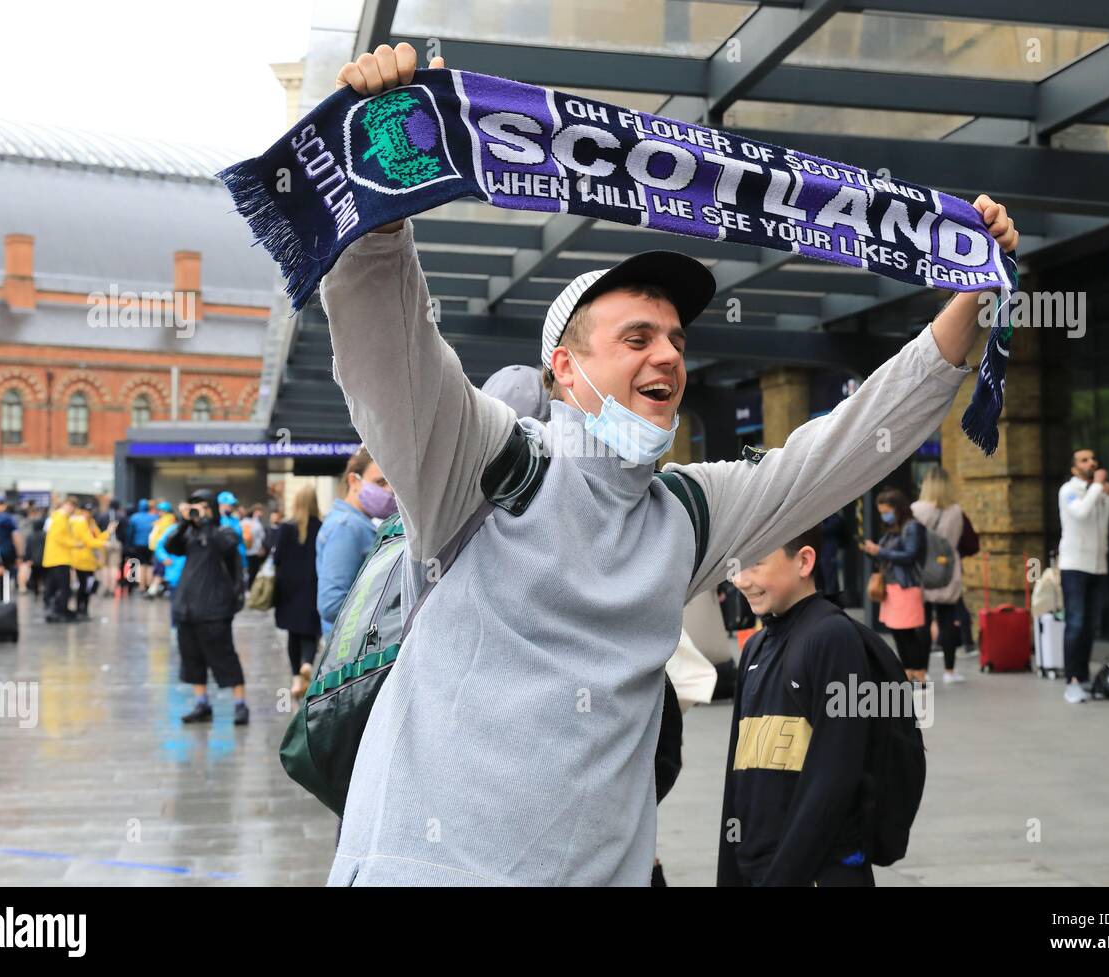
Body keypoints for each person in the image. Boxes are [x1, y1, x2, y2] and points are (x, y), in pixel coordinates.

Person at [321, 42, 1017, 887]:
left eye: (678, 340)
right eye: (637, 337)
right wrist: (386, 197)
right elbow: (389, 351)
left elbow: (840, 448)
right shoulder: (485, 459)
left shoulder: (686, 511)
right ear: (565, 369)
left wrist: (968, 302)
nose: (668, 357)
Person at [718, 524, 873, 886]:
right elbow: (736, 779)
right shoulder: (755, 647)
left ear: (804, 561)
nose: (741, 580)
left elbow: (835, 780)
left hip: (818, 873)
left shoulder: (834, 638)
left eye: (756, 564)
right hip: (758, 868)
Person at [1057, 448, 1109, 704]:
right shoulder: (1068, 491)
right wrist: (1099, 487)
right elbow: (1080, 513)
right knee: (1076, 623)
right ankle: (1071, 680)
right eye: (1084, 460)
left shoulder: (1100, 494)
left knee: (1091, 625)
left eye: (1093, 458)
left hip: (1098, 567)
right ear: (1074, 469)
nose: (1091, 462)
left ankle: (1083, 677)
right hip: (1074, 566)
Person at [163, 490, 249, 725]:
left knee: (225, 658)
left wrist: (208, 520)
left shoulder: (225, 531)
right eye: (193, 506)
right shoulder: (189, 533)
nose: (197, 510)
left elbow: (226, 546)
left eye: (201, 506)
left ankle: (240, 705)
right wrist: (184, 522)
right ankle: (201, 703)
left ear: (211, 507)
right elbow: (171, 546)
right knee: (192, 659)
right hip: (187, 608)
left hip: (215, 610)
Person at [316, 450, 388, 635]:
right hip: (351, 647)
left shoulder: (352, 522)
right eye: (380, 482)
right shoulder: (348, 526)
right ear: (354, 481)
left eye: (392, 483)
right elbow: (332, 605)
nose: (389, 491)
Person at [862, 488, 928, 684]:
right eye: (881, 513)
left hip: (905, 586)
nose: (884, 516)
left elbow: (910, 555)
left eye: (886, 512)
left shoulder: (912, 527)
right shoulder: (894, 529)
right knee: (898, 632)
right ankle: (908, 671)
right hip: (892, 587)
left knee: (908, 632)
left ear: (898, 509)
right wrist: (872, 551)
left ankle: (919, 673)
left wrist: (880, 551)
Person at [911, 467, 966, 684]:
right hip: (948, 569)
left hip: (923, 569)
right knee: (948, 620)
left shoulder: (916, 509)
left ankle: (922, 672)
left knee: (922, 622)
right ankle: (949, 671)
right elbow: (957, 539)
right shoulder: (956, 511)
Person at [273, 486, 323, 697]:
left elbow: (276, 559)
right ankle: (307, 663)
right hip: (313, 585)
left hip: (288, 588)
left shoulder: (286, 528)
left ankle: (295, 680)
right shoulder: (322, 527)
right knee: (310, 631)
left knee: (293, 634)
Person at [41, 496, 82, 622]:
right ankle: (61, 611)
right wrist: (75, 543)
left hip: (54, 558)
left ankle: (56, 610)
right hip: (60, 558)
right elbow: (59, 537)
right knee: (64, 587)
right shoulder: (61, 518)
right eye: (72, 507)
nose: (72, 510)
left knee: (54, 586)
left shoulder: (56, 517)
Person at [69, 503, 110, 619]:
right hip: (80, 559)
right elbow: (89, 541)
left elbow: (96, 538)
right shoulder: (79, 523)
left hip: (90, 561)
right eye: (85, 511)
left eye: (89, 511)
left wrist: (108, 533)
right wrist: (104, 543)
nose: (87, 514)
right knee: (83, 586)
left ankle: (84, 610)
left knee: (88, 586)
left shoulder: (91, 523)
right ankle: (79, 609)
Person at [216, 491, 250, 583]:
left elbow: (241, 541)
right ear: (221, 504)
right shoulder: (217, 521)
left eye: (233, 504)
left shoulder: (235, 519)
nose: (232, 506)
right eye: (229, 504)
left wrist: (244, 563)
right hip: (224, 563)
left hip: (239, 560)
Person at [127, 499, 158, 593]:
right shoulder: (154, 517)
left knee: (141, 565)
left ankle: (141, 586)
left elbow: (130, 533)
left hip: (138, 544)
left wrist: (129, 545)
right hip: (151, 545)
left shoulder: (134, 517)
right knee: (150, 565)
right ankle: (149, 585)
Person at [242, 504, 269, 579]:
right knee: (252, 573)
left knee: (254, 572)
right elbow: (258, 535)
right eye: (260, 511)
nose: (261, 514)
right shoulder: (250, 522)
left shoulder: (251, 522)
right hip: (251, 551)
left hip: (254, 551)